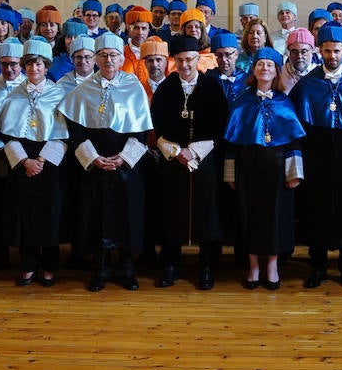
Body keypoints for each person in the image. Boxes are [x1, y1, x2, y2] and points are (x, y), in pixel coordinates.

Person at [59, 32, 153, 291]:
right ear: (96, 59)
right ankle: (100, 268)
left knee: (127, 216)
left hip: (125, 166)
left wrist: (123, 158)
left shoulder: (133, 85)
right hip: (96, 165)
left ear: (122, 58)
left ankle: (127, 269)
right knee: (96, 216)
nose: (108, 60)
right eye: (103, 55)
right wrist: (94, 158)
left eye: (113, 55)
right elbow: (76, 132)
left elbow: (141, 132)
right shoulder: (83, 89)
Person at [289, 26, 342, 290]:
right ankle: (319, 266)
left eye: (336, 51)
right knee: (318, 208)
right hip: (318, 151)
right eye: (327, 50)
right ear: (319, 51)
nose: (332, 55)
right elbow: (300, 125)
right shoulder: (308, 82)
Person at [149, 34, 231, 289]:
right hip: (173, 159)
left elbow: (220, 125)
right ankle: (171, 263)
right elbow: (157, 124)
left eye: (190, 60)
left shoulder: (211, 87)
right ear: (173, 61)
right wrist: (176, 152)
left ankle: (205, 265)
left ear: (198, 59)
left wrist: (194, 152)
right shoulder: (165, 88)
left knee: (205, 210)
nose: (185, 65)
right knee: (171, 210)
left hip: (204, 159)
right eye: (180, 60)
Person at [223, 47, 305, 289]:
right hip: (248, 167)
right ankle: (253, 266)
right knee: (249, 216)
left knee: (276, 217)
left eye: (270, 65)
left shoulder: (285, 102)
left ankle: (271, 265)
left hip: (277, 170)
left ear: (276, 70)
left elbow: (293, 141)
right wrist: (230, 173)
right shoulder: (241, 101)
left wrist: (294, 173)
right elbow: (231, 142)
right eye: (260, 64)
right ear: (254, 69)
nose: (265, 69)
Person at [0, 39, 69, 287]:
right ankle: (27, 264)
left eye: (38, 64)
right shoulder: (13, 95)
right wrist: (25, 161)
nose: (33, 68)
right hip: (23, 164)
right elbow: (6, 135)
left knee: (48, 216)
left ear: (46, 66)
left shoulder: (59, 94)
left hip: (49, 164)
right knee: (25, 215)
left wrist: (41, 160)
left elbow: (64, 134)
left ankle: (50, 265)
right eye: (28, 64)